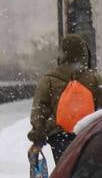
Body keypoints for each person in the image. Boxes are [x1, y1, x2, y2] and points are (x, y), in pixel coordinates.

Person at [29, 32, 102, 163]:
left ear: (62, 54)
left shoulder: (49, 80)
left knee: (64, 171)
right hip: (87, 135)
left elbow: (40, 110)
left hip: (59, 136)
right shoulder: (95, 78)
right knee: (85, 173)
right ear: (83, 54)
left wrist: (37, 138)